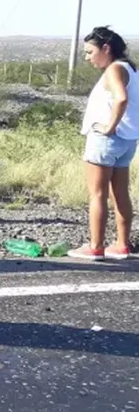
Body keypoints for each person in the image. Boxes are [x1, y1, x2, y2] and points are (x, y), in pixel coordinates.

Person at [68, 26, 139, 261]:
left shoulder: (114, 70)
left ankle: (96, 246)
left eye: (90, 52)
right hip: (127, 140)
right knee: (120, 192)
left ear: (105, 48)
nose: (88, 58)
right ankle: (121, 244)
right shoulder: (130, 68)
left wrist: (109, 126)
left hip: (107, 139)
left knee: (97, 193)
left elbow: (121, 98)